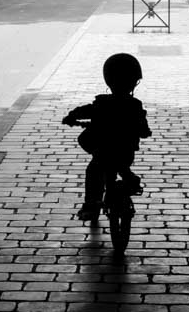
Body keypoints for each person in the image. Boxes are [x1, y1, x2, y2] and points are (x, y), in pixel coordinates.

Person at [63, 53, 152, 221]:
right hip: (125, 152)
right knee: (122, 166)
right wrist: (144, 132)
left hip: (102, 151)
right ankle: (130, 179)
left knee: (93, 171)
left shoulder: (101, 103)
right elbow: (143, 128)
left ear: (109, 80)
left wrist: (71, 117)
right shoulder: (135, 105)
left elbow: (83, 111)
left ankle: (91, 204)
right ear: (134, 82)